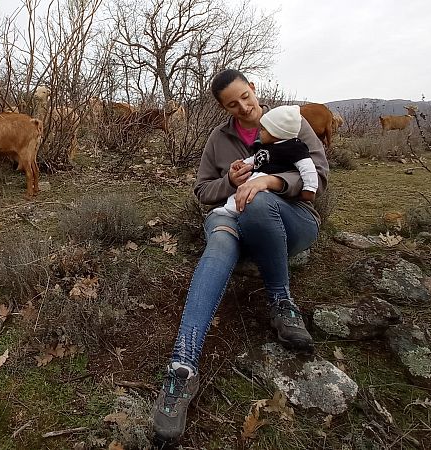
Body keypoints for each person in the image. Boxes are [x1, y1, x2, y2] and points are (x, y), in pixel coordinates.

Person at [151, 69, 329, 444]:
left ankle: (281, 302)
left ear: (254, 89)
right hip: (232, 220)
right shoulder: (219, 139)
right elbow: (202, 190)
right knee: (218, 240)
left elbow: (319, 178)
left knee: (260, 201)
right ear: (223, 108)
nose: (244, 107)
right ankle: (182, 368)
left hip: (291, 221)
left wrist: (270, 181)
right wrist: (231, 182)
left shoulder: (291, 122)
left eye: (246, 96)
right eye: (233, 104)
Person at [212, 104, 318, 218]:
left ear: (276, 132)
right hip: (256, 179)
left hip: (271, 189)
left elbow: (307, 168)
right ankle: (231, 209)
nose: (259, 132)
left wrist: (310, 188)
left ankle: (235, 210)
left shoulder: (294, 148)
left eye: (263, 129)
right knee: (242, 190)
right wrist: (244, 164)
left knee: (253, 197)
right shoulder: (264, 146)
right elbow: (256, 158)